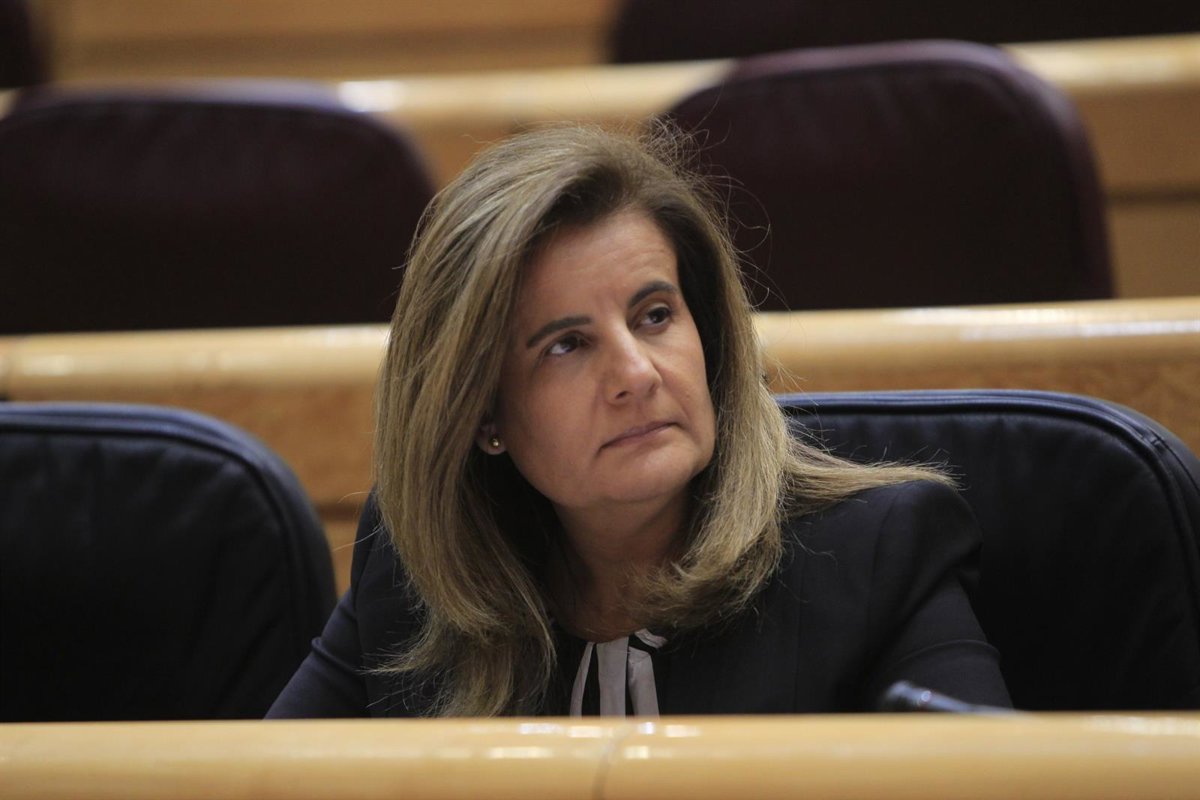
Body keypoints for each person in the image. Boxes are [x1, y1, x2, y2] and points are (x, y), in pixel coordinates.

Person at [268, 124, 1010, 718]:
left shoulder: (875, 553)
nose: (636, 374)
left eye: (655, 316)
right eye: (566, 345)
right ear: (481, 412)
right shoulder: (416, 571)